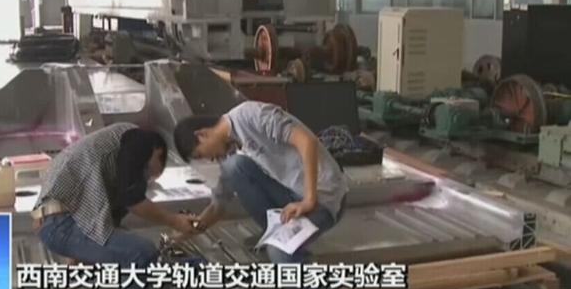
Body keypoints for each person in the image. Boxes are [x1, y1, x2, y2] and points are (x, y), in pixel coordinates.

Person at [173, 101, 348, 263]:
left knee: (279, 252)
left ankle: (301, 272)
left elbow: (307, 141)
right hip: (290, 195)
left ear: (201, 134)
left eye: (200, 155)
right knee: (233, 166)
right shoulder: (232, 149)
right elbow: (218, 204)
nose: (209, 159)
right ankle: (276, 234)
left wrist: (309, 200)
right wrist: (189, 230)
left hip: (322, 196)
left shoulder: (250, 115)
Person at [33, 123, 201, 266]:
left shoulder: (115, 160)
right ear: (158, 152)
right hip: (62, 223)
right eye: (150, 173)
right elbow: (132, 200)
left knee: (130, 250)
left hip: (58, 222)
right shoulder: (141, 140)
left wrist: (82, 254)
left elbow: (110, 221)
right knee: (142, 252)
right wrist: (175, 221)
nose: (147, 178)